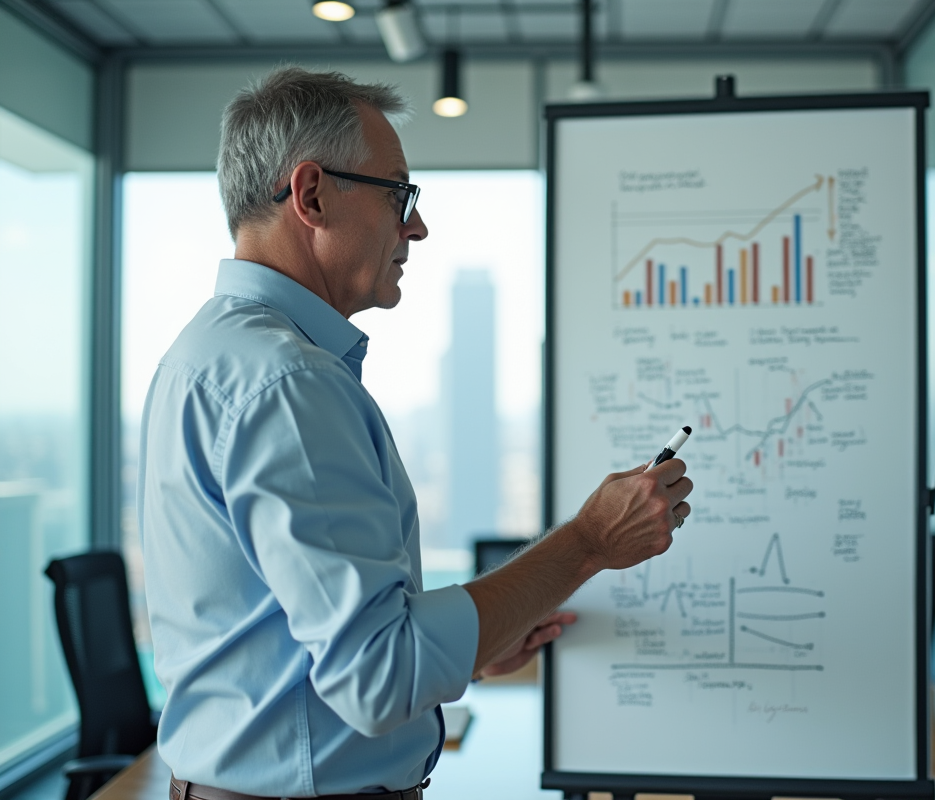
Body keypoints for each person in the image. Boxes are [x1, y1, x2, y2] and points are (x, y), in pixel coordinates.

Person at [138, 67, 693, 800]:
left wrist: (471, 646)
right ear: (311, 195)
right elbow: (380, 678)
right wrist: (588, 541)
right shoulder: (288, 382)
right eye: (399, 193)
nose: (416, 226)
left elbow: (307, 641)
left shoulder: (207, 354)